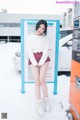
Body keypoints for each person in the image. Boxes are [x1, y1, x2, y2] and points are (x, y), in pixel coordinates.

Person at [27, 19, 51, 117]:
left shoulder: (45, 38)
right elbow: (29, 50)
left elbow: (46, 51)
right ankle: (38, 103)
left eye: (43, 28)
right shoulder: (29, 37)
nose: (41, 30)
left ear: (45, 30)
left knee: (42, 80)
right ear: (37, 26)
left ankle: (46, 100)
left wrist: (40, 62)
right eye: (40, 27)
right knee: (37, 81)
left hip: (44, 59)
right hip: (33, 59)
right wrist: (34, 62)